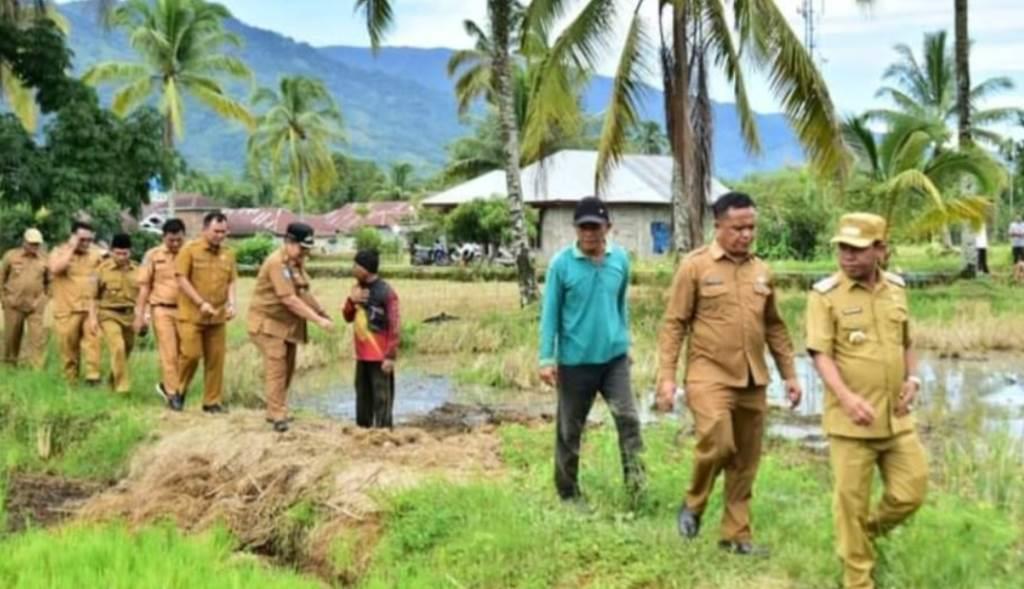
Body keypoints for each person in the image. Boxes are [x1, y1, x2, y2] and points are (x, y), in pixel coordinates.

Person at [656, 191, 800, 555]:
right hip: (709, 374)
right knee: (718, 443)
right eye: (738, 228)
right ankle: (693, 502)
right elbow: (674, 324)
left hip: (753, 378)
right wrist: (667, 377)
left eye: (751, 227)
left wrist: (790, 375)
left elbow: (774, 326)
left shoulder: (762, 270)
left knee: (745, 461)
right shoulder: (695, 267)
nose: (746, 234)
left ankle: (735, 536)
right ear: (718, 225)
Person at [805, 212, 928, 589]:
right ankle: (857, 579)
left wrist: (913, 378)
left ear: (880, 250)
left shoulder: (896, 289)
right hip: (851, 423)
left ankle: (861, 538)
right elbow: (820, 354)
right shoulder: (825, 296)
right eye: (843, 248)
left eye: (857, 249)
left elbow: (906, 341)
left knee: (911, 491)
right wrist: (846, 398)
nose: (848, 256)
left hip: (896, 417)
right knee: (851, 504)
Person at [538, 196, 646, 507]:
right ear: (575, 229)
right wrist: (546, 358)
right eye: (583, 227)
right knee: (570, 431)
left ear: (607, 228)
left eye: (595, 227)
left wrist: (624, 342)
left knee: (629, 420)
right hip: (575, 363)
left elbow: (620, 304)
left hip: (614, 361)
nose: (589, 233)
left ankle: (637, 489)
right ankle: (568, 494)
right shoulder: (561, 264)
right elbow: (550, 314)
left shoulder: (620, 260)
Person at [248, 222, 334, 432]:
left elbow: (302, 292)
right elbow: (289, 299)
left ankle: (276, 408)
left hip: (285, 326)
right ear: (289, 242)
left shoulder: (295, 263)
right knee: (276, 367)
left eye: (307, 249)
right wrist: (317, 320)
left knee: (288, 367)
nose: (305, 253)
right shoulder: (276, 263)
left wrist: (321, 311)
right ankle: (277, 414)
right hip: (267, 323)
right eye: (302, 248)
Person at [175, 212, 237, 413]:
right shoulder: (189, 250)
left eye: (223, 232)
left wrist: (232, 304)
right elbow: (181, 279)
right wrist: (200, 303)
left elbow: (231, 281)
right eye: (216, 231)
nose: (220, 235)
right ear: (204, 230)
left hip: (217, 316)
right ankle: (178, 391)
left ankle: (211, 402)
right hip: (192, 315)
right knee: (191, 355)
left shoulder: (228, 253)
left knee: (215, 360)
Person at [342, 249, 400, 428]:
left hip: (379, 356)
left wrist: (390, 356)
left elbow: (395, 324)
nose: (352, 268)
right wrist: (351, 301)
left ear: (365, 269)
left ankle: (384, 433)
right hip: (362, 356)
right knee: (362, 397)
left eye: (355, 265)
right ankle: (362, 432)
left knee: (382, 398)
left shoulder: (386, 292)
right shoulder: (357, 290)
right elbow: (347, 317)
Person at [135, 218, 187, 408]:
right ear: (163, 237)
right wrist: (140, 315)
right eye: (171, 240)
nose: (175, 244)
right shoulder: (152, 255)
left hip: (186, 311)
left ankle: (169, 386)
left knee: (187, 353)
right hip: (161, 309)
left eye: (179, 240)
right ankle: (173, 395)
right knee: (168, 353)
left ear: (184, 236)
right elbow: (144, 287)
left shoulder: (190, 254)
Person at [48, 221, 103, 385]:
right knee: (68, 348)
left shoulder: (95, 255)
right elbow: (55, 269)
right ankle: (70, 382)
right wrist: (71, 248)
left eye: (89, 240)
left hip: (89, 309)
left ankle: (93, 377)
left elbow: (101, 279)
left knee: (93, 342)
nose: (86, 243)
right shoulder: (59, 252)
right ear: (73, 237)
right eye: (82, 240)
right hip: (67, 310)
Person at [95, 234, 139, 394]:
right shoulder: (102, 270)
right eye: (118, 253)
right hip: (108, 314)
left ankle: (111, 382)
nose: (121, 257)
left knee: (126, 349)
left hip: (129, 315)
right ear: (111, 251)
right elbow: (92, 297)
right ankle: (123, 388)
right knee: (118, 347)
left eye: (125, 253)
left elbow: (143, 295)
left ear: (130, 252)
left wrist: (143, 316)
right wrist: (92, 319)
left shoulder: (138, 270)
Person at [1, 228, 50, 368]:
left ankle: (37, 368)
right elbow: (2, 277)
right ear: (24, 242)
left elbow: (50, 282)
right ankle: (10, 366)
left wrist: (43, 299)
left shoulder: (44, 259)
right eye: (32, 243)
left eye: (37, 244)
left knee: (37, 337)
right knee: (11, 337)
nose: (35, 246)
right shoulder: (11, 256)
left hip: (35, 305)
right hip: (13, 304)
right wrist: (4, 299)